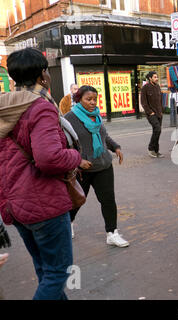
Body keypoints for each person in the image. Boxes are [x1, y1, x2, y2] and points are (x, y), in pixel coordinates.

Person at [0, 48, 84, 300]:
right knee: (59, 272)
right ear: (43, 76)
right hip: (43, 203)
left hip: (15, 204)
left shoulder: (5, 107)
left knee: (45, 270)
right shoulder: (40, 108)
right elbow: (49, 159)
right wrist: (77, 157)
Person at [64, 85, 129, 247]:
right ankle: (68, 224)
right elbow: (63, 145)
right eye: (88, 99)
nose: (93, 103)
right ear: (79, 99)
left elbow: (104, 136)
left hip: (104, 165)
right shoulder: (69, 119)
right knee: (77, 200)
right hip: (82, 170)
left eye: (95, 99)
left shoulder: (96, 115)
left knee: (108, 200)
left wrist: (116, 147)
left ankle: (112, 233)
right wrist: (78, 161)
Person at [140, 71, 164, 158]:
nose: (156, 78)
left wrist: (161, 111)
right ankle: (151, 149)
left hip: (159, 113)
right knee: (157, 129)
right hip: (151, 114)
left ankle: (156, 151)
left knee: (157, 131)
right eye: (155, 77)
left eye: (157, 77)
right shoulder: (145, 87)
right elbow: (143, 102)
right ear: (150, 78)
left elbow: (160, 100)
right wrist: (150, 112)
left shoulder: (157, 86)